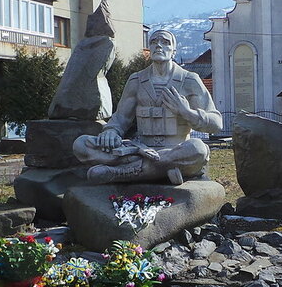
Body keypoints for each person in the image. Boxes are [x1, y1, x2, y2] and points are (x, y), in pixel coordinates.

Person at [72, 29, 223, 185]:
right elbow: (121, 118)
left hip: (176, 150)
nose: (159, 45)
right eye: (154, 42)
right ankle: (164, 169)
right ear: (149, 49)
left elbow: (216, 124)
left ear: (174, 51)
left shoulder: (190, 80)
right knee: (82, 144)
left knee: (198, 149)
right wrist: (111, 131)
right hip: (139, 149)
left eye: (165, 42)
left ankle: (121, 172)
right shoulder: (136, 80)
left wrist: (186, 112)